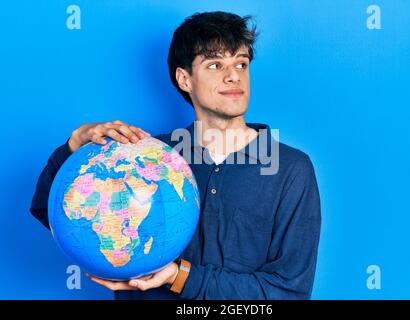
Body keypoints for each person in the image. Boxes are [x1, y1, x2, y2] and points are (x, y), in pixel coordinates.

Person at [30, 11, 321, 300]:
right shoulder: (144, 157)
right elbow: (55, 212)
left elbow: (288, 292)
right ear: (184, 79)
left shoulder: (289, 169)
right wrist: (74, 143)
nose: (234, 76)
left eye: (241, 63)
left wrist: (179, 277)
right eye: (215, 64)